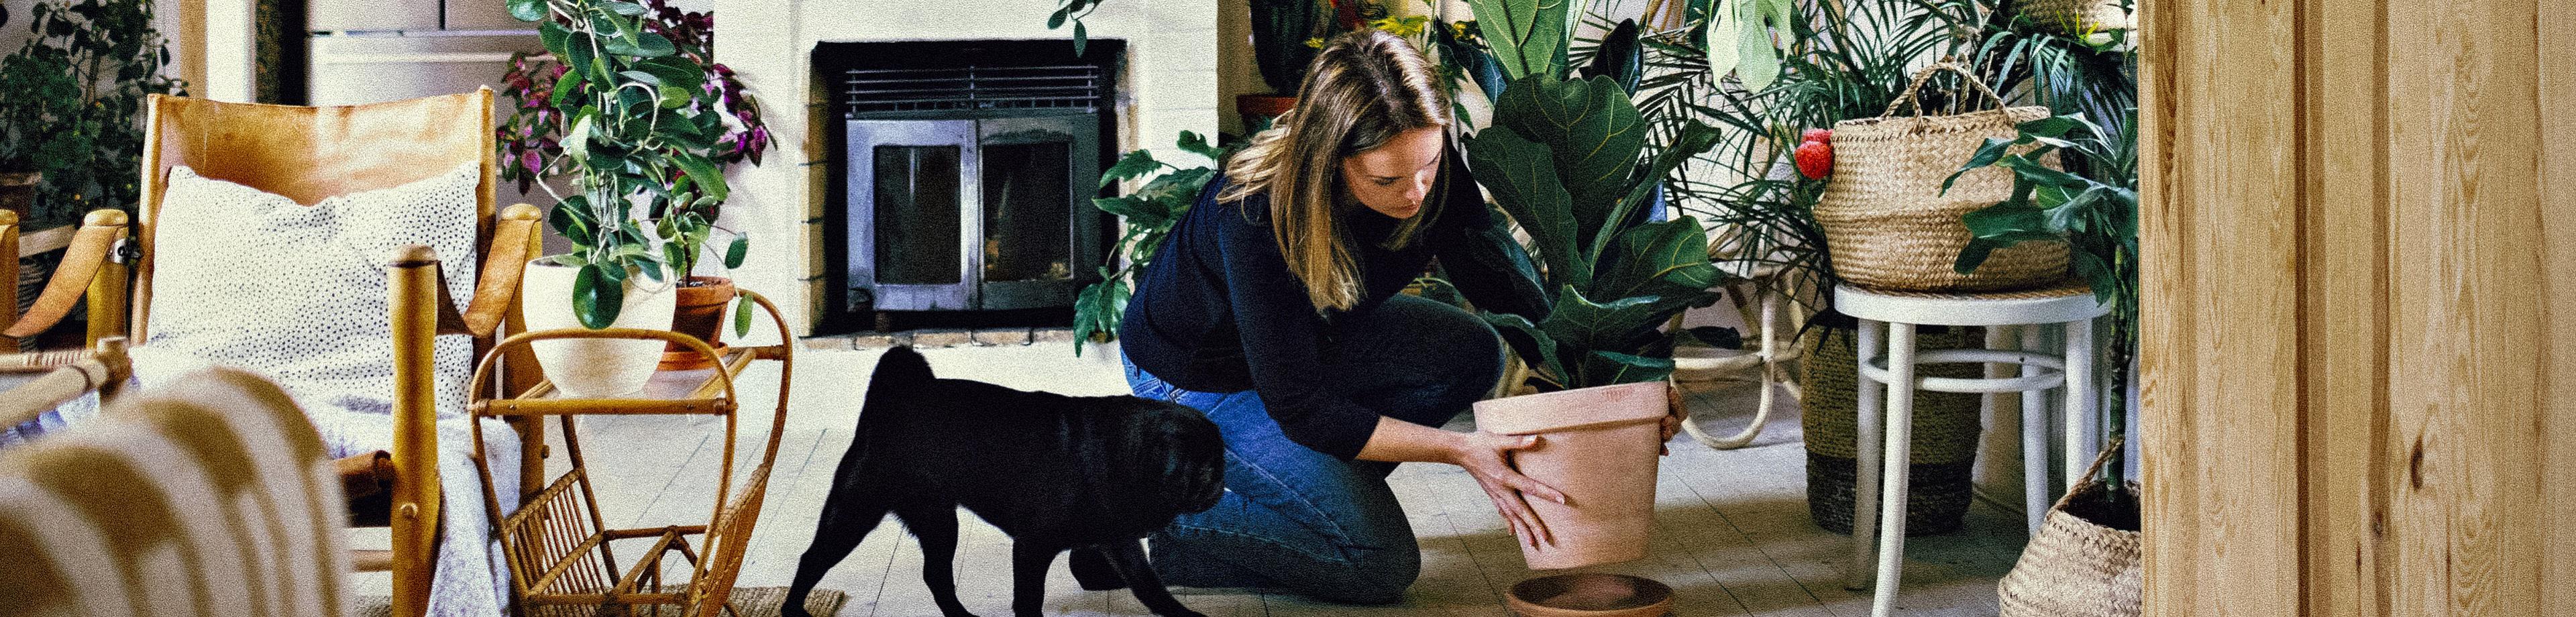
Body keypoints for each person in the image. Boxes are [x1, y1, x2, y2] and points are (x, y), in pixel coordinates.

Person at [1111, 29, 1682, 604]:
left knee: (1471, 352)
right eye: (1386, 179)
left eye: (1429, 165)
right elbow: (1301, 408)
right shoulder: (1259, 213)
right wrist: (1462, 451)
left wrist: (1624, 387)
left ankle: (1311, 497)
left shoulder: (1422, 162)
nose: (1416, 193)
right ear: (1330, 160)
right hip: (1195, 380)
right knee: (1377, 563)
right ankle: (1146, 522)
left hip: (1311, 342)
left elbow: (1495, 283)